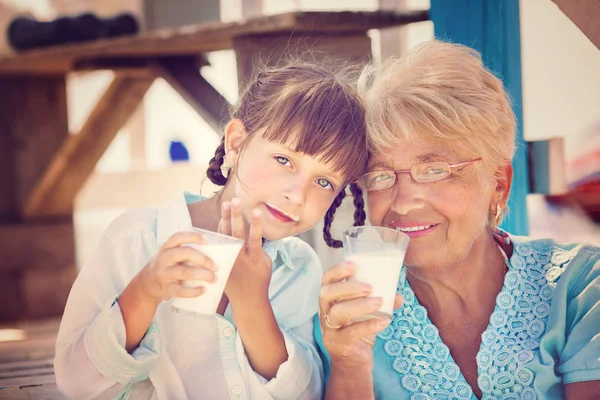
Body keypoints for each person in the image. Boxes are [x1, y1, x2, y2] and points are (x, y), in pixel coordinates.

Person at [54, 61, 369, 399]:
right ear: (236, 144)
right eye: (284, 160)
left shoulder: (299, 270)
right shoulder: (135, 239)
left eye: (323, 181)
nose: (297, 194)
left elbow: (303, 393)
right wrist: (146, 290)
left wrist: (252, 303)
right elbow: (76, 383)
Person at [316, 41, 600, 400]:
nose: (402, 204)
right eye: (380, 176)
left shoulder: (580, 288)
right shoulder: (338, 324)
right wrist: (349, 363)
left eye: (434, 170)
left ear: (498, 184)